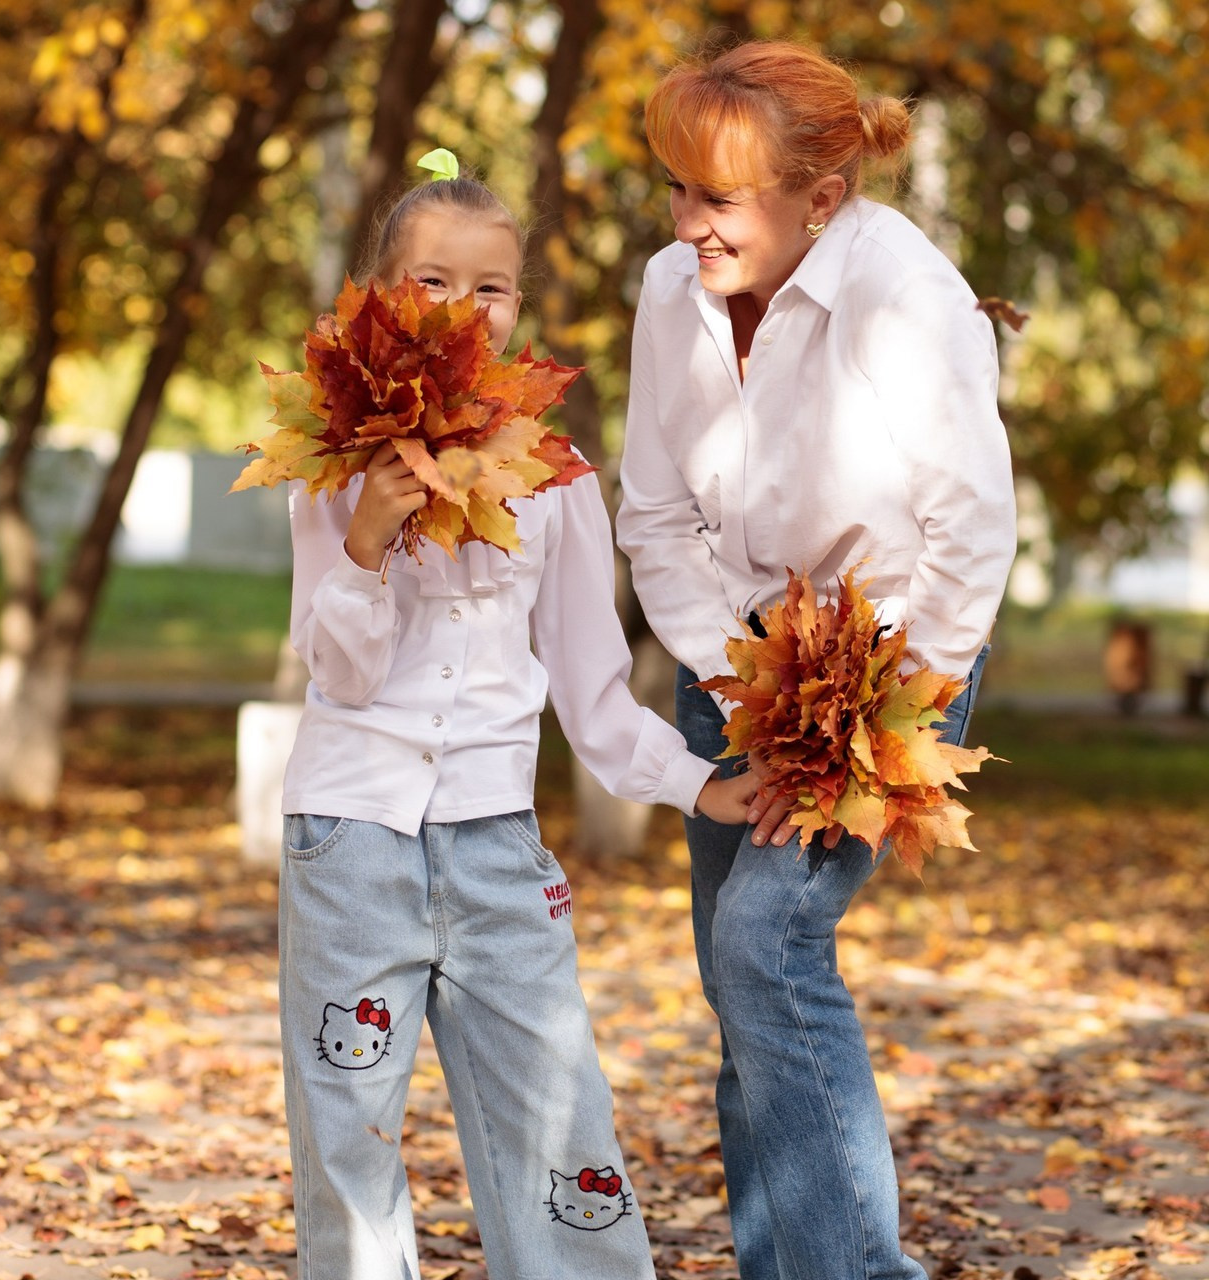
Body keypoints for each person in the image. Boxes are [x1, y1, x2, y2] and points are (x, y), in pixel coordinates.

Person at [275, 156, 764, 1280]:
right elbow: (338, 671)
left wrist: (697, 783)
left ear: (517, 305)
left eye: (490, 287)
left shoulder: (556, 475)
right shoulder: (333, 463)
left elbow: (590, 683)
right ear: (382, 297)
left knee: (558, 1112)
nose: (464, 308)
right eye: (433, 282)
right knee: (346, 1131)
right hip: (351, 837)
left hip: (497, 844)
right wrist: (365, 544)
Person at [615, 40, 1018, 1280]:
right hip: (731, 661)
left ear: (820, 199)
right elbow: (654, 515)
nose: (686, 223)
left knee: (763, 947)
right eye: (675, 188)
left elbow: (969, 530)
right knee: (739, 985)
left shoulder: (903, 295)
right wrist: (732, 674)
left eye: (718, 198)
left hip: (889, 662)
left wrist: (892, 713)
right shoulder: (669, 291)